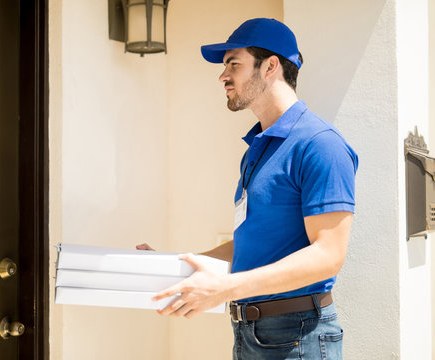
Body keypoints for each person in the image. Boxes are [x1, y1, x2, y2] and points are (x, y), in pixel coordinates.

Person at [137, 18, 358, 360]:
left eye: (234, 64)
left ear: (270, 66)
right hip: (250, 332)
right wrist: (173, 267)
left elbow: (328, 255)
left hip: (298, 336)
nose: (223, 76)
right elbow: (253, 241)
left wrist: (226, 286)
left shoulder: (319, 145)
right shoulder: (258, 149)